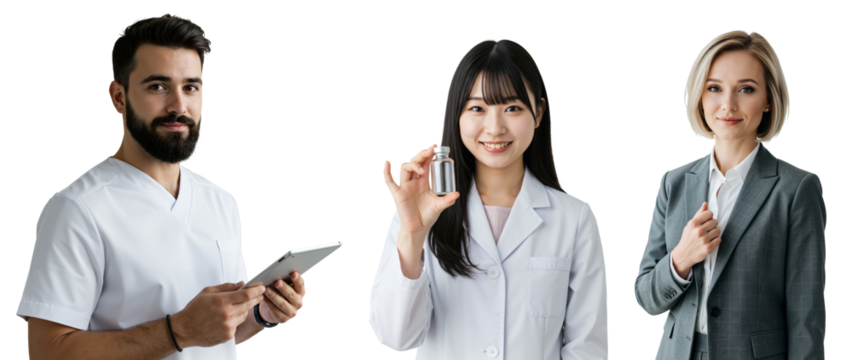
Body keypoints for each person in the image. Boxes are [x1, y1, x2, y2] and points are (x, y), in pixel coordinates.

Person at [16, 13, 307, 359]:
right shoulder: (77, 209)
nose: (178, 106)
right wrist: (177, 330)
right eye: (158, 86)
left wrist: (261, 315)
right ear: (118, 97)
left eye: (191, 87)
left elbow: (215, 333)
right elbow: (47, 352)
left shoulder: (222, 202)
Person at [371, 38, 609, 360]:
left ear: (538, 112)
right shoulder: (418, 210)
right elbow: (395, 337)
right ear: (457, 114)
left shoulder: (575, 219)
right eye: (477, 108)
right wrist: (413, 234)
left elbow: (587, 349)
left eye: (512, 108)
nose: (494, 128)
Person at [632, 30, 826, 360]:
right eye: (714, 88)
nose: (728, 105)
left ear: (768, 98)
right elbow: (646, 298)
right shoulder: (673, 182)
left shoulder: (796, 189)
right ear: (700, 96)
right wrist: (681, 259)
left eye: (746, 89)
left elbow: (806, 319)